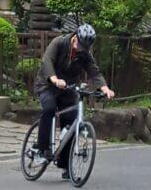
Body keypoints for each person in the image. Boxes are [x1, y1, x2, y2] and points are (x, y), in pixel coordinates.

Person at [34, 24, 114, 177]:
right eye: (80, 45)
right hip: (47, 85)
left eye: (85, 47)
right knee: (49, 109)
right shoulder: (59, 42)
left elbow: (94, 71)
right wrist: (54, 79)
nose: (81, 49)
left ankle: (65, 165)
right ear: (75, 37)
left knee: (71, 122)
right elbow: (47, 61)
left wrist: (105, 89)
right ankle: (41, 150)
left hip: (68, 88)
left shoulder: (84, 53)